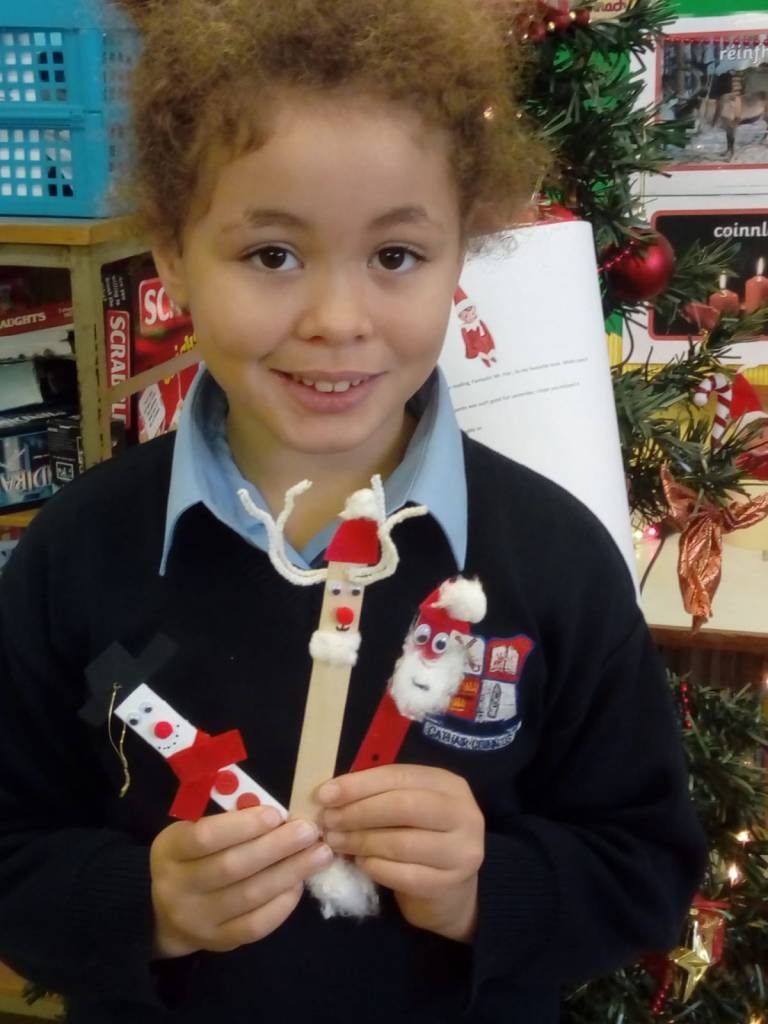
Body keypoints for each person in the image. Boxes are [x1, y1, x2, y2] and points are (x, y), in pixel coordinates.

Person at [0, 1, 707, 1021]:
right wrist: (141, 904)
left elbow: (645, 865)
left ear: (463, 254)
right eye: (272, 255)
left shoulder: (555, 560)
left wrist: (484, 890)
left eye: (396, 256)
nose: (338, 322)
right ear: (172, 255)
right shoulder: (78, 549)